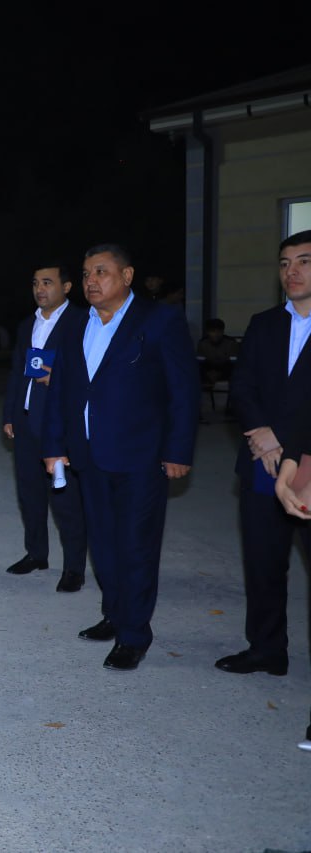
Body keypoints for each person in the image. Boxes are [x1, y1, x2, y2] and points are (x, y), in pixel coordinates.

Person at [43, 243, 197, 671]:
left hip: (141, 456)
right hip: (89, 455)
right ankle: (114, 614)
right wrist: (54, 445)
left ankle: (134, 634)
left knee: (136, 546)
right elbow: (61, 390)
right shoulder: (76, 323)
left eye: (101, 272)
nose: (91, 281)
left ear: (127, 276)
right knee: (104, 544)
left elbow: (183, 391)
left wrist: (178, 449)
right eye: (86, 273)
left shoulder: (159, 320)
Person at [221, 230, 311, 678]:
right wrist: (261, 433)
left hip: (308, 466)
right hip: (262, 461)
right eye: (284, 263)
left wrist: (282, 438)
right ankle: (266, 650)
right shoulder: (264, 323)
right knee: (262, 564)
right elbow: (242, 387)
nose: (291, 271)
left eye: (304, 261)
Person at [1, 263, 89, 592]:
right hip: (26, 420)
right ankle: (36, 553)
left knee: (65, 499)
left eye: (48, 282)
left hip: (59, 424)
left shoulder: (82, 322)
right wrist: (10, 414)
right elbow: (17, 372)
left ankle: (74, 568)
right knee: (30, 493)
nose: (40, 289)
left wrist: (60, 379)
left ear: (66, 287)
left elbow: (89, 372)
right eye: (36, 283)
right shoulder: (28, 324)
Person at [196, 318, 240, 386]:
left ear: (223, 332)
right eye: (213, 331)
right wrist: (208, 373)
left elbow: (233, 364)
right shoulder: (202, 343)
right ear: (207, 332)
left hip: (226, 371)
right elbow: (200, 363)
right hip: (208, 371)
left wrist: (219, 373)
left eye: (219, 331)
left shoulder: (231, 343)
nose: (216, 334)